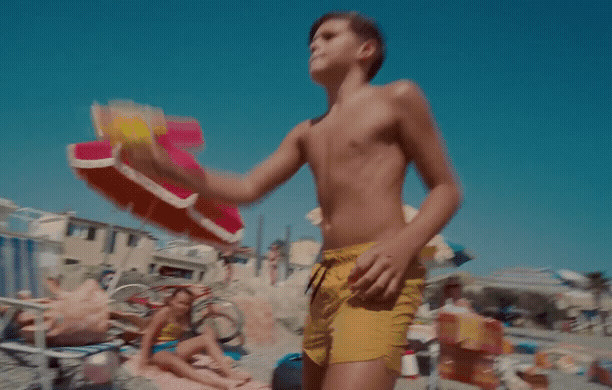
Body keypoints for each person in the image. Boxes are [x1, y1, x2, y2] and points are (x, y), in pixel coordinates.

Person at [122, 11, 462, 390]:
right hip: (324, 278)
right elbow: (248, 187)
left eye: (329, 36)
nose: (315, 44)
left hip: (377, 270)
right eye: (312, 40)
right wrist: (169, 167)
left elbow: (447, 189)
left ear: (366, 49)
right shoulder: (306, 133)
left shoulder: (397, 97)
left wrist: (402, 248)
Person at [138, 287, 251, 389]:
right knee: (172, 359)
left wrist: (211, 315)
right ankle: (210, 382)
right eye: (180, 303)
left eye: (187, 304)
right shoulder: (164, 313)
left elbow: (198, 331)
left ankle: (230, 374)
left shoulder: (186, 314)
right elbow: (148, 336)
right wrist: (143, 361)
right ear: (172, 301)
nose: (184, 307)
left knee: (206, 338)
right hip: (159, 352)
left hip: (175, 348)